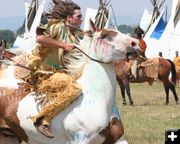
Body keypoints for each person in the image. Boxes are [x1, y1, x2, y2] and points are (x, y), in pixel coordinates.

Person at [27, 0, 83, 138]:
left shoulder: (76, 35)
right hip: (46, 73)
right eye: (79, 17)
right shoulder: (58, 26)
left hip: (63, 72)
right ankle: (43, 119)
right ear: (69, 18)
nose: (81, 19)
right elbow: (40, 38)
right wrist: (63, 45)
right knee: (75, 88)